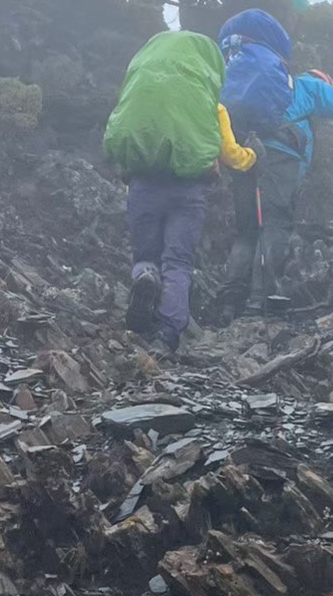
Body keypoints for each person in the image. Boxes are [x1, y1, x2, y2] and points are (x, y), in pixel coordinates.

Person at [103, 29, 254, 353]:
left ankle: (145, 277)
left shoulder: (141, 92)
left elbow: (115, 131)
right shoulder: (210, 106)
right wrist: (252, 157)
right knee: (178, 262)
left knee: (146, 255)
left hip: (144, 184)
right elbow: (229, 153)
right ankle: (168, 334)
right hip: (188, 191)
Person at [223, 58, 333, 315]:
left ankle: (230, 302)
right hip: (280, 159)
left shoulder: (276, 89)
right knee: (274, 224)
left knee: (247, 229)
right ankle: (263, 300)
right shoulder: (311, 85)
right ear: (325, 81)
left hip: (246, 152)